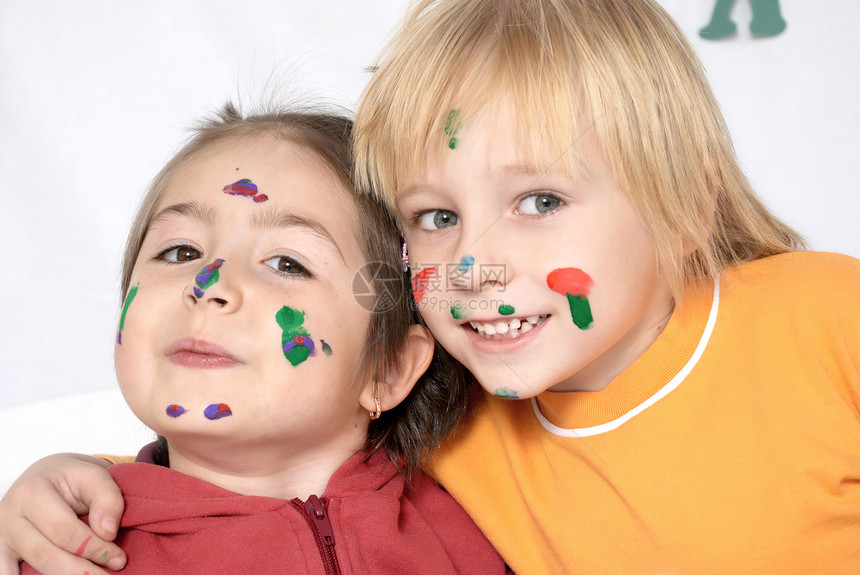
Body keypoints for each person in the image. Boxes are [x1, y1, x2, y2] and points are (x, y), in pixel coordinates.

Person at [2, 0, 860, 573]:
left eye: (540, 200)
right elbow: (265, 470)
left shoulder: (826, 320)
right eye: (435, 216)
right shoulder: (462, 430)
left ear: (684, 196)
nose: (470, 262)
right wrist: (71, 482)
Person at [10, 103, 507, 575]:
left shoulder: (486, 524)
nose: (209, 285)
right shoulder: (62, 550)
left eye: (287, 263)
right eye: (180, 252)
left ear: (389, 368)